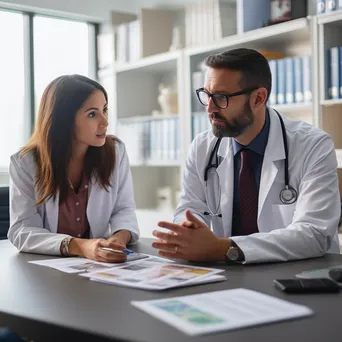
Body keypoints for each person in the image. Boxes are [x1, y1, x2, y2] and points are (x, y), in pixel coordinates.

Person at [152, 48, 341, 264]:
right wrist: (190, 228)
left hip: (299, 276)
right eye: (207, 95)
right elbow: (191, 207)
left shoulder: (313, 146)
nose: (210, 108)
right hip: (229, 276)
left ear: (258, 98)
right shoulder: (203, 147)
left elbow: (315, 233)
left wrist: (223, 248)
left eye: (221, 97)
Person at [8, 74, 139, 263]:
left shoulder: (115, 152)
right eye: (92, 114)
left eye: (104, 110)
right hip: (45, 271)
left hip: (97, 266)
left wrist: (119, 238)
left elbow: (123, 209)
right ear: (64, 119)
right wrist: (79, 246)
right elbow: (22, 230)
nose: (105, 122)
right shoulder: (25, 163)